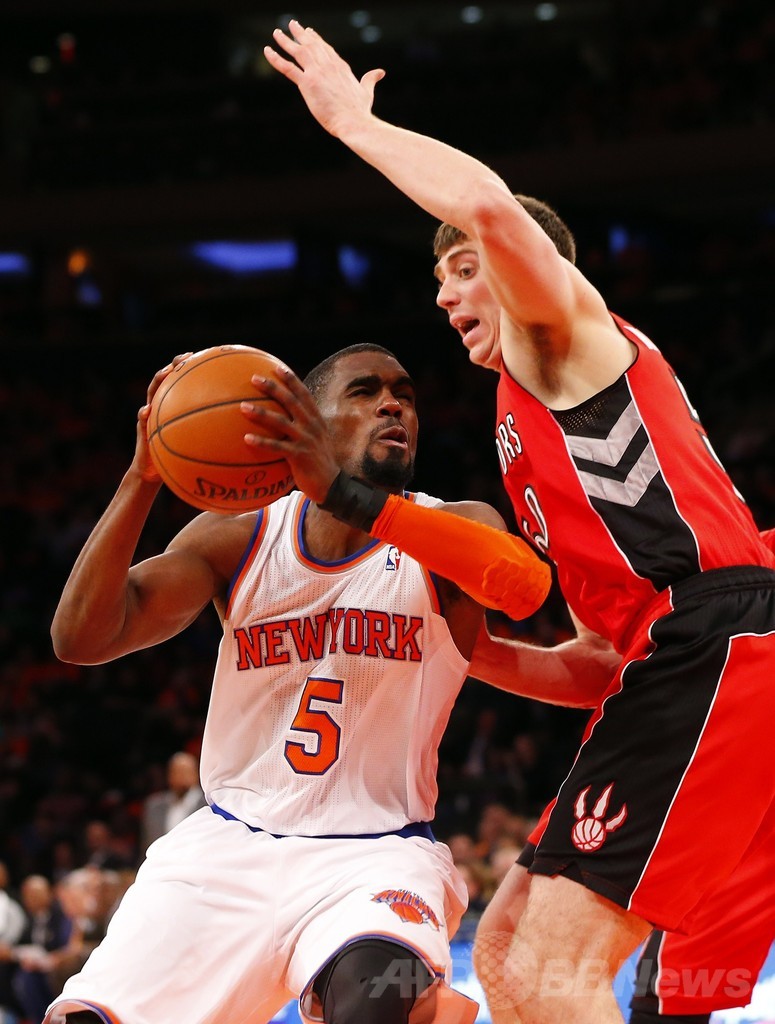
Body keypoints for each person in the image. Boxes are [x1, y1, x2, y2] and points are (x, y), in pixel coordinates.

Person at [264, 22, 775, 1024]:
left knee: (553, 967)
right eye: (438, 279)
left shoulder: (561, 338)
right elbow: (592, 663)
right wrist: (460, 645)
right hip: (669, 662)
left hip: (715, 642)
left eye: (462, 268)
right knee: (503, 954)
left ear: (526, 267)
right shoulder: (526, 417)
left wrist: (355, 125)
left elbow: (490, 207)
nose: (446, 293)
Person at [44, 341, 551, 1024]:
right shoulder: (237, 538)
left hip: (378, 857)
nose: (392, 405)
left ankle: (421, 1006)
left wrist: (343, 494)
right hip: (227, 847)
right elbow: (81, 638)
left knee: (377, 1003)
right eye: (365, 392)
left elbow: (521, 586)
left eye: (403, 394)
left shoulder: (451, 529)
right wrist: (143, 476)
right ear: (305, 421)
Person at [140, 751, 206, 856]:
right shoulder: (153, 806)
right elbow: (146, 844)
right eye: (177, 772)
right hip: (161, 862)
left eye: (185, 772)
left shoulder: (208, 805)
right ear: (169, 776)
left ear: (196, 774)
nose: (181, 777)